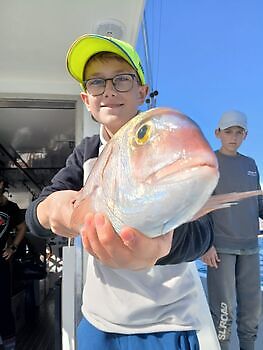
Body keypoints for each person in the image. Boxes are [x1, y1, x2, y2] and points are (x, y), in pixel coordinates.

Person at [26, 34, 215, 350]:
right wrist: (50, 211)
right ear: (87, 100)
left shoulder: (165, 141)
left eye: (122, 79)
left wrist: (160, 247)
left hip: (170, 323)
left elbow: (202, 233)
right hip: (100, 323)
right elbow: (36, 213)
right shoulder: (86, 154)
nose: (109, 90)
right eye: (96, 83)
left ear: (142, 92)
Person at [201, 110, 263, 350]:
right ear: (218, 133)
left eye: (239, 132)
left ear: (246, 135)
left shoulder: (251, 164)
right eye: (228, 131)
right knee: (224, 313)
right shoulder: (209, 162)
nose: (233, 137)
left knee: (251, 313)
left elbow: (258, 204)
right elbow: (200, 207)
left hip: (250, 247)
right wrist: (206, 245)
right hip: (220, 250)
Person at [0, 176, 26, 350]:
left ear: (1, 184)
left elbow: (22, 227)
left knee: (3, 304)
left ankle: (9, 343)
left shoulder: (11, 208)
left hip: (0, 263)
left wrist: (13, 248)